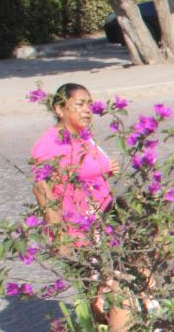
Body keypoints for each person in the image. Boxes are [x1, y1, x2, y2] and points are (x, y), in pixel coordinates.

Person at [30, 83, 113, 236]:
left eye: (89, 104)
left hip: (102, 221)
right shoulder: (50, 143)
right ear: (59, 109)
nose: (87, 110)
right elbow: (42, 188)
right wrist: (61, 237)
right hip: (77, 230)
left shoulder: (83, 137)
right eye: (80, 104)